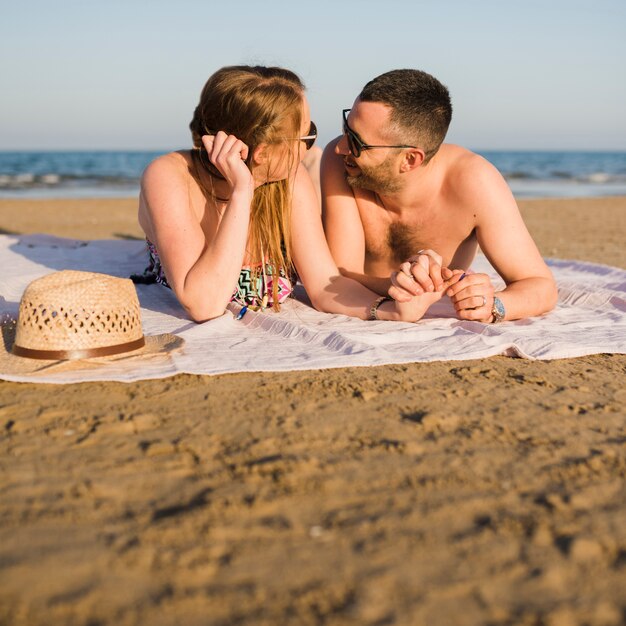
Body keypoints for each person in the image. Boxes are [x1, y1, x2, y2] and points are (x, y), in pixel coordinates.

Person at [135, 65, 461, 323]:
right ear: (262, 153)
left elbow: (323, 284)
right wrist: (242, 192)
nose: (312, 146)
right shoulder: (169, 176)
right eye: (306, 135)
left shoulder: (289, 180)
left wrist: (389, 309)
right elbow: (204, 304)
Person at [321, 69, 558, 323]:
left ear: (410, 159)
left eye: (356, 141)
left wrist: (494, 304)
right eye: (346, 127)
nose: (340, 146)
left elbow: (540, 286)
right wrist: (411, 290)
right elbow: (338, 275)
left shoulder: (474, 183)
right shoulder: (341, 163)